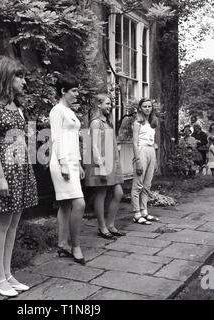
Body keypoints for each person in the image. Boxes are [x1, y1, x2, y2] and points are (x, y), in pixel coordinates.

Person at [0, 56, 38, 297]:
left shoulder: (18, 107)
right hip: (5, 170)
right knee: (1, 225)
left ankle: (7, 273)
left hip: (20, 168)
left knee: (13, 225)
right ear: (7, 77)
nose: (24, 81)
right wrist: (1, 178)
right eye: (19, 76)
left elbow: (26, 140)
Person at [49, 73, 86, 265]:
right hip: (60, 162)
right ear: (63, 91)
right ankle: (75, 246)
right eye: (73, 91)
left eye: (77, 91)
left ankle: (62, 244)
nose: (76, 94)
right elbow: (57, 138)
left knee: (65, 205)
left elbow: (73, 140)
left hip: (72, 162)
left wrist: (78, 163)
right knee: (79, 204)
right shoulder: (57, 111)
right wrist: (64, 164)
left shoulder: (69, 111)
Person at [85, 94, 125, 239]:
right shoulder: (96, 123)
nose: (109, 106)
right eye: (107, 104)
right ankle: (102, 227)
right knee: (101, 193)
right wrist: (100, 165)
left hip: (111, 162)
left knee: (118, 193)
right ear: (99, 105)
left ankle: (110, 224)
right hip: (101, 163)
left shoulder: (108, 122)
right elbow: (93, 146)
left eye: (110, 104)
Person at [131, 98, 160, 225]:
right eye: (145, 106)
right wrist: (137, 160)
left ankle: (144, 211)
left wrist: (156, 160)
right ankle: (136, 213)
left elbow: (153, 143)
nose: (147, 108)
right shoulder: (138, 122)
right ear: (140, 108)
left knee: (147, 185)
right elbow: (135, 142)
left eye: (149, 106)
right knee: (138, 184)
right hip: (141, 151)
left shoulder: (152, 122)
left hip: (151, 151)